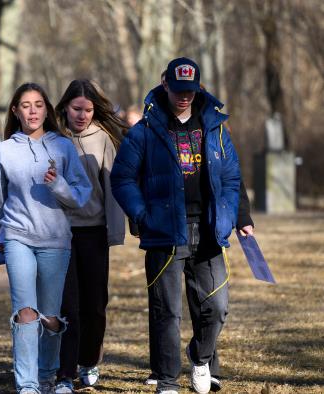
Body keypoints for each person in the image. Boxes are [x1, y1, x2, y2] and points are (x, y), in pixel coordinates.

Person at [111, 57, 241, 394]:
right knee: (166, 311)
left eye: (190, 90)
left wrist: (229, 216)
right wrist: (142, 215)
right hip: (164, 232)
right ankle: (167, 380)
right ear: (165, 84)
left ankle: (200, 356)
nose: (184, 97)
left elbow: (230, 177)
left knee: (216, 305)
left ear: (198, 88)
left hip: (209, 229)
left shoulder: (215, 127)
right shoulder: (145, 130)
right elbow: (123, 178)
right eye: (178, 90)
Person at [0, 82, 92, 394]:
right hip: (18, 239)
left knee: (49, 316)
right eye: (26, 105)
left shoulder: (62, 147)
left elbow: (81, 196)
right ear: (15, 111)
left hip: (56, 241)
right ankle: (27, 384)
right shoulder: (5, 150)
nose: (33, 111)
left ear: (46, 109)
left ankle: (47, 377)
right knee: (25, 312)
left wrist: (59, 185)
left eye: (38, 104)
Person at [52, 79, 128, 393]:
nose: (81, 115)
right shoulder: (54, 139)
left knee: (95, 304)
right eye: (76, 109)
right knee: (68, 305)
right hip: (61, 233)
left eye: (88, 110)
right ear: (65, 108)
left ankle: (89, 361)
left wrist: (114, 231)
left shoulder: (104, 140)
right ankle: (65, 372)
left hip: (94, 232)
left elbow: (112, 189)